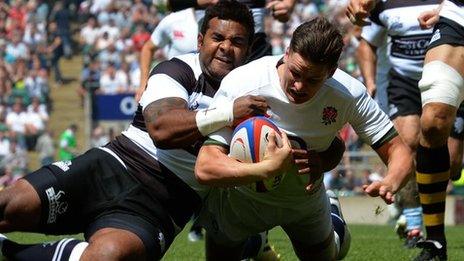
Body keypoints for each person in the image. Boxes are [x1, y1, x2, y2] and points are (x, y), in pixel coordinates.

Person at [0, 2, 262, 260]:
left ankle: (14, 252)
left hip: (161, 206)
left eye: (237, 42)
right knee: (8, 205)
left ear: (249, 50)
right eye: (218, 38)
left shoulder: (256, 98)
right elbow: (161, 130)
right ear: (200, 41)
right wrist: (228, 114)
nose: (226, 48)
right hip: (110, 166)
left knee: (106, 256)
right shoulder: (177, 70)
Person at [195, 17, 414, 260]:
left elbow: (399, 151)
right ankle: (256, 241)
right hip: (242, 200)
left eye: (312, 80)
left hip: (303, 202)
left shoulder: (348, 94)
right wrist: (268, 169)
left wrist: (391, 181)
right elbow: (206, 168)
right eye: (295, 73)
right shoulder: (246, 82)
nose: (299, 86)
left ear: (331, 72)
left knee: (332, 254)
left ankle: (334, 221)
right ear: (287, 53)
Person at [347, 0, 464, 259]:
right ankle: (424, 233)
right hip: (407, 82)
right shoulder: (386, 7)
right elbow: (366, 42)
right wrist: (369, 81)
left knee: (453, 165)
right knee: (422, 132)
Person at [136, 0, 298, 101]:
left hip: (253, 49)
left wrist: (288, 5)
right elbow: (162, 3)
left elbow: (286, 5)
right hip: (207, 51)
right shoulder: (176, 22)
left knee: (260, 108)